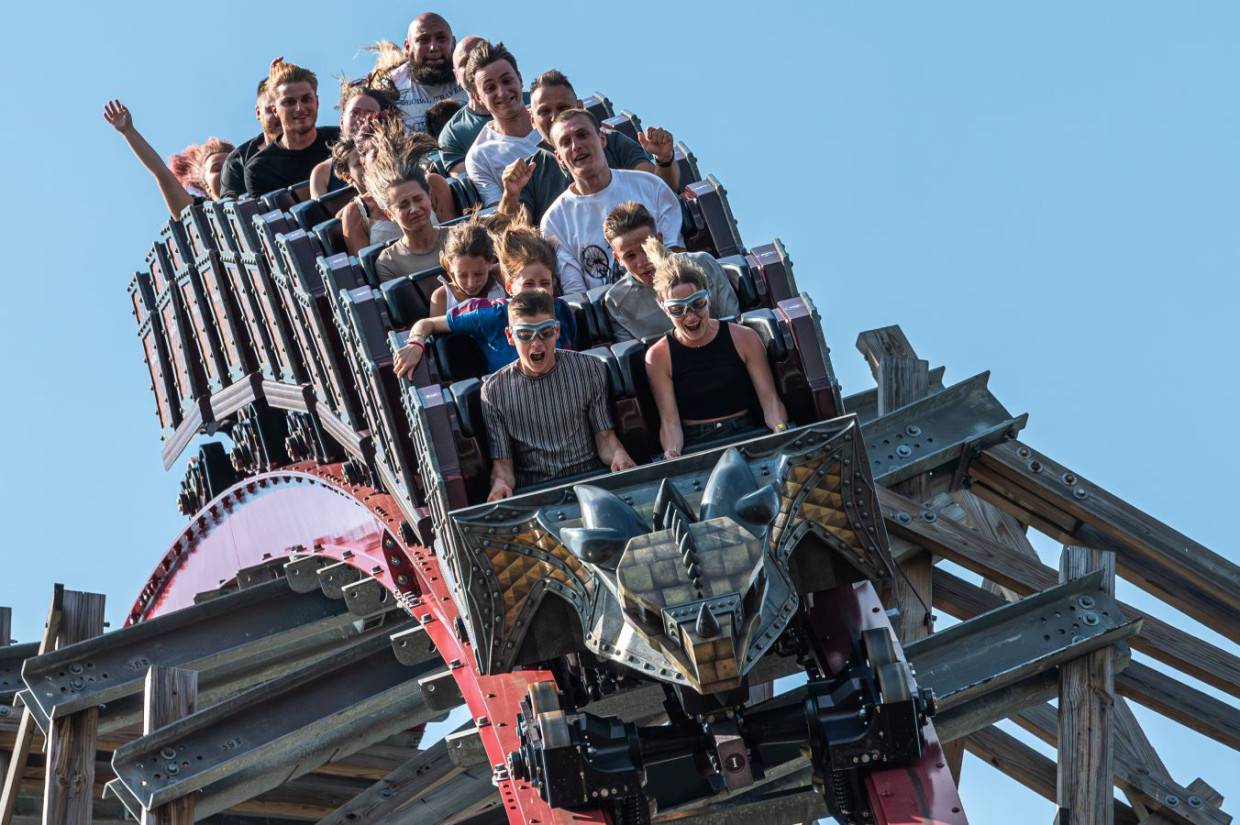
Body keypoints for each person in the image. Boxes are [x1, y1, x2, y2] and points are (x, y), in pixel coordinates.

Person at [481, 289, 635, 499]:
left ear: (557, 331)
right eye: (525, 334)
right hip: (537, 492)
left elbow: (606, 438)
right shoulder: (493, 391)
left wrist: (619, 455)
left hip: (592, 481)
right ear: (510, 336)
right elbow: (503, 467)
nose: (536, 343)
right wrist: (500, 484)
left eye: (545, 332)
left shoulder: (590, 369)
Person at [643, 240, 789, 459]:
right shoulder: (658, 357)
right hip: (697, 443)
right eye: (678, 310)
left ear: (708, 298)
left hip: (746, 432)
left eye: (697, 304)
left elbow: (769, 399)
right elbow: (670, 421)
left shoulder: (744, 338)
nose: (690, 317)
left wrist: (780, 429)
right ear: (664, 310)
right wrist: (672, 453)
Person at [393, 221, 577, 377]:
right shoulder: (488, 314)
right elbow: (426, 324)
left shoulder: (562, 310)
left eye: (544, 283)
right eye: (528, 284)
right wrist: (415, 343)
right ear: (509, 287)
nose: (537, 291)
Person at [498, 70, 679, 223]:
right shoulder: (529, 173)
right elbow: (514, 234)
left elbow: (659, 190)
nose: (554, 117)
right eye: (544, 112)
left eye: (563, 108)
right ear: (532, 120)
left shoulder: (613, 142)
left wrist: (664, 160)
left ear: (581, 107)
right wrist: (511, 195)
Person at [538, 110, 684, 292]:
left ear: (602, 139)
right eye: (565, 142)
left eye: (582, 135)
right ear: (559, 157)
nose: (576, 146)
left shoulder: (651, 186)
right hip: (610, 308)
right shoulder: (554, 221)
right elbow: (577, 294)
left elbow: (675, 257)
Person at [602, 202, 738, 341]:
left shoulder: (703, 264)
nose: (642, 262)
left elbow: (734, 324)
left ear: (660, 240)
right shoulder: (616, 302)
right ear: (618, 258)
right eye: (630, 256)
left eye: (646, 249)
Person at [363, 118, 458, 282]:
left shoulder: (458, 237)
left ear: (429, 197)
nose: (414, 209)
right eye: (403, 205)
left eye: (418, 199)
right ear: (389, 214)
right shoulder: (388, 263)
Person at [102, 99, 234, 216]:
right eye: (217, 168)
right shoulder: (199, 214)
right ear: (206, 186)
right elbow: (161, 173)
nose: (226, 171)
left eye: (232, 166)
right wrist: (129, 131)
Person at [463, 42, 544, 208]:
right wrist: (510, 193)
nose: (502, 92)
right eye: (490, 88)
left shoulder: (551, 118)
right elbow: (501, 219)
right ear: (478, 98)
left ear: (520, 80)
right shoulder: (479, 157)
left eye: (507, 81)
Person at [243, 61, 340, 197]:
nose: (299, 108)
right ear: (275, 110)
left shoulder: (341, 139)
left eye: (306, 99)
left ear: (317, 102)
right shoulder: (260, 169)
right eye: (289, 102)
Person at [373, 13, 469, 134]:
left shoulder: (472, 78)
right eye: (424, 40)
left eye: (441, 39)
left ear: (453, 44)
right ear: (407, 47)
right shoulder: (390, 87)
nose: (433, 47)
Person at [309, 81, 400, 198]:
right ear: (342, 122)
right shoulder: (322, 172)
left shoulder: (399, 159)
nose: (361, 119)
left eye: (370, 113)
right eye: (355, 113)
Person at [327, 135, 402, 255]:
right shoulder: (353, 213)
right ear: (347, 176)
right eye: (359, 163)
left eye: (374, 156)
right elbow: (362, 261)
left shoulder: (421, 184)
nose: (368, 164)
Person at [429, 218, 507, 315]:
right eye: (463, 275)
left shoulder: (502, 283)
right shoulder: (442, 298)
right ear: (449, 265)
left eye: (478, 274)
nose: (471, 284)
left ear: (491, 262)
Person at [220, 78, 282, 199]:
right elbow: (233, 206)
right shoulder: (237, 162)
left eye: (286, 104)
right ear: (258, 112)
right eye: (271, 109)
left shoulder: (320, 142)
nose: (279, 115)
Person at [436, 35, 490, 174]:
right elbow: (468, 182)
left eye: (479, 57)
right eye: (465, 63)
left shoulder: (532, 101)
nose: (473, 66)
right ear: (456, 76)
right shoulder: (452, 135)